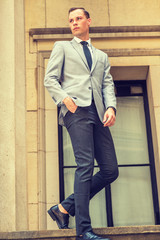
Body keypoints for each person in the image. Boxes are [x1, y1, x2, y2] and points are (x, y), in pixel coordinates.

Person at [44, 7, 119, 240]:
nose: (74, 23)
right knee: (85, 165)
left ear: (89, 21)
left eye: (78, 19)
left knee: (110, 170)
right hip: (76, 110)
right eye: (71, 20)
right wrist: (64, 98)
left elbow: (107, 84)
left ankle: (64, 208)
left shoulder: (101, 56)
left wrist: (111, 107)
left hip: (98, 113)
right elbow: (50, 78)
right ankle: (83, 231)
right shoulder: (62, 47)